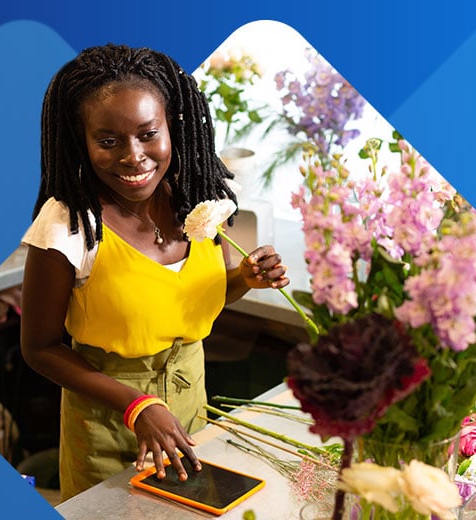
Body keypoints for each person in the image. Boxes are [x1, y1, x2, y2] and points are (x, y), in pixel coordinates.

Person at [19, 43, 290, 501]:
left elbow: (194, 300)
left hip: (191, 405)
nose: (134, 156)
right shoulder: (69, 225)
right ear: (80, 142)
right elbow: (39, 348)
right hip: (108, 422)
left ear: (171, 126)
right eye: (108, 141)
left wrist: (244, 278)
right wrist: (136, 405)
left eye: (148, 134)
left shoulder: (201, 197)